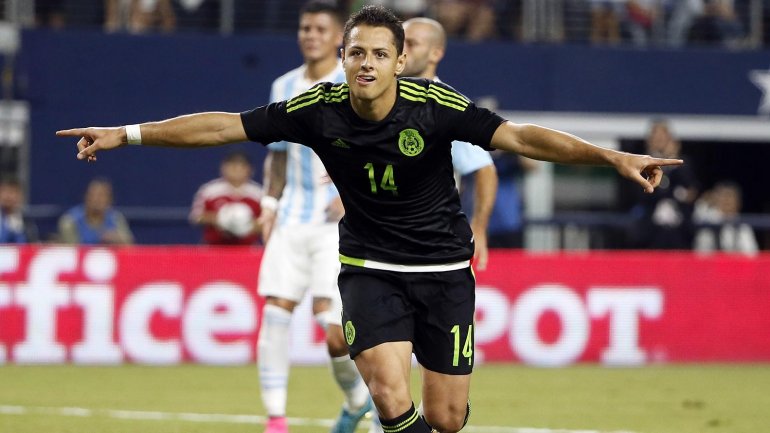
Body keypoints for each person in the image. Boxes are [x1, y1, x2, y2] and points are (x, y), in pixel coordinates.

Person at [58, 6, 682, 432]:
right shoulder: (317, 108)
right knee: (387, 392)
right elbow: (223, 126)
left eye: (379, 54)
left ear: (400, 60)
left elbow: (520, 138)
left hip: (443, 270)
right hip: (368, 266)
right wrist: (126, 134)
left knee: (445, 418)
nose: (366, 64)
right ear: (343, 56)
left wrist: (612, 157)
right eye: (356, 52)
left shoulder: (436, 107)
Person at [255, 3, 371, 433]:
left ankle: (357, 399)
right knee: (275, 312)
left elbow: (372, 145)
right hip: (291, 217)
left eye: (321, 29)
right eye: (306, 28)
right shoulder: (283, 85)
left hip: (337, 225)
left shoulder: (353, 81)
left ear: (339, 37)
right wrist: (269, 205)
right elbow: (278, 154)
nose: (311, 35)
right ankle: (275, 419)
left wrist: (351, 194)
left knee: (334, 330)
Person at [400, 17, 497, 269]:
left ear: (436, 53)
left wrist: (479, 227)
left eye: (412, 44)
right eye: (400, 42)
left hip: (428, 240)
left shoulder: (447, 106)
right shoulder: (381, 98)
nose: (402, 50)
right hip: (378, 236)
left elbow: (484, 168)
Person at [630, 119, 698, 250]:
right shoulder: (641, 165)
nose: (659, 141)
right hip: (651, 231)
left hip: (680, 231)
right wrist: (674, 193)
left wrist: (671, 159)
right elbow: (644, 192)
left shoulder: (682, 164)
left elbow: (690, 191)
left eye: (663, 137)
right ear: (649, 141)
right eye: (656, 137)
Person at [189, 150, 263, 246]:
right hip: (214, 247)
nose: (236, 170)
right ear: (223, 168)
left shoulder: (259, 194)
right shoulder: (209, 190)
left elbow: (268, 222)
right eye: (232, 165)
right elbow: (196, 217)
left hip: (248, 248)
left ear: (250, 170)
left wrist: (245, 225)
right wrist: (221, 219)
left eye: (241, 166)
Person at [58, 178, 134, 245]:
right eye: (93, 195)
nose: (96, 199)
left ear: (110, 200)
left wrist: (117, 240)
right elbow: (72, 251)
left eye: (101, 196)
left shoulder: (116, 218)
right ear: (86, 197)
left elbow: (129, 245)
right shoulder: (70, 221)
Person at [693, 181, 758, 256]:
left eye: (730, 196)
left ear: (738, 202)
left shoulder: (743, 225)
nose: (727, 200)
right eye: (723, 196)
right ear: (715, 199)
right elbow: (701, 253)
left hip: (735, 262)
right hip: (711, 261)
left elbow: (751, 254)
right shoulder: (708, 220)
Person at [0, 177, 38, 244]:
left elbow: (32, 243)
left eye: (12, 192)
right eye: (4, 191)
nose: (8, 196)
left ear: (20, 196)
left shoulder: (26, 221)